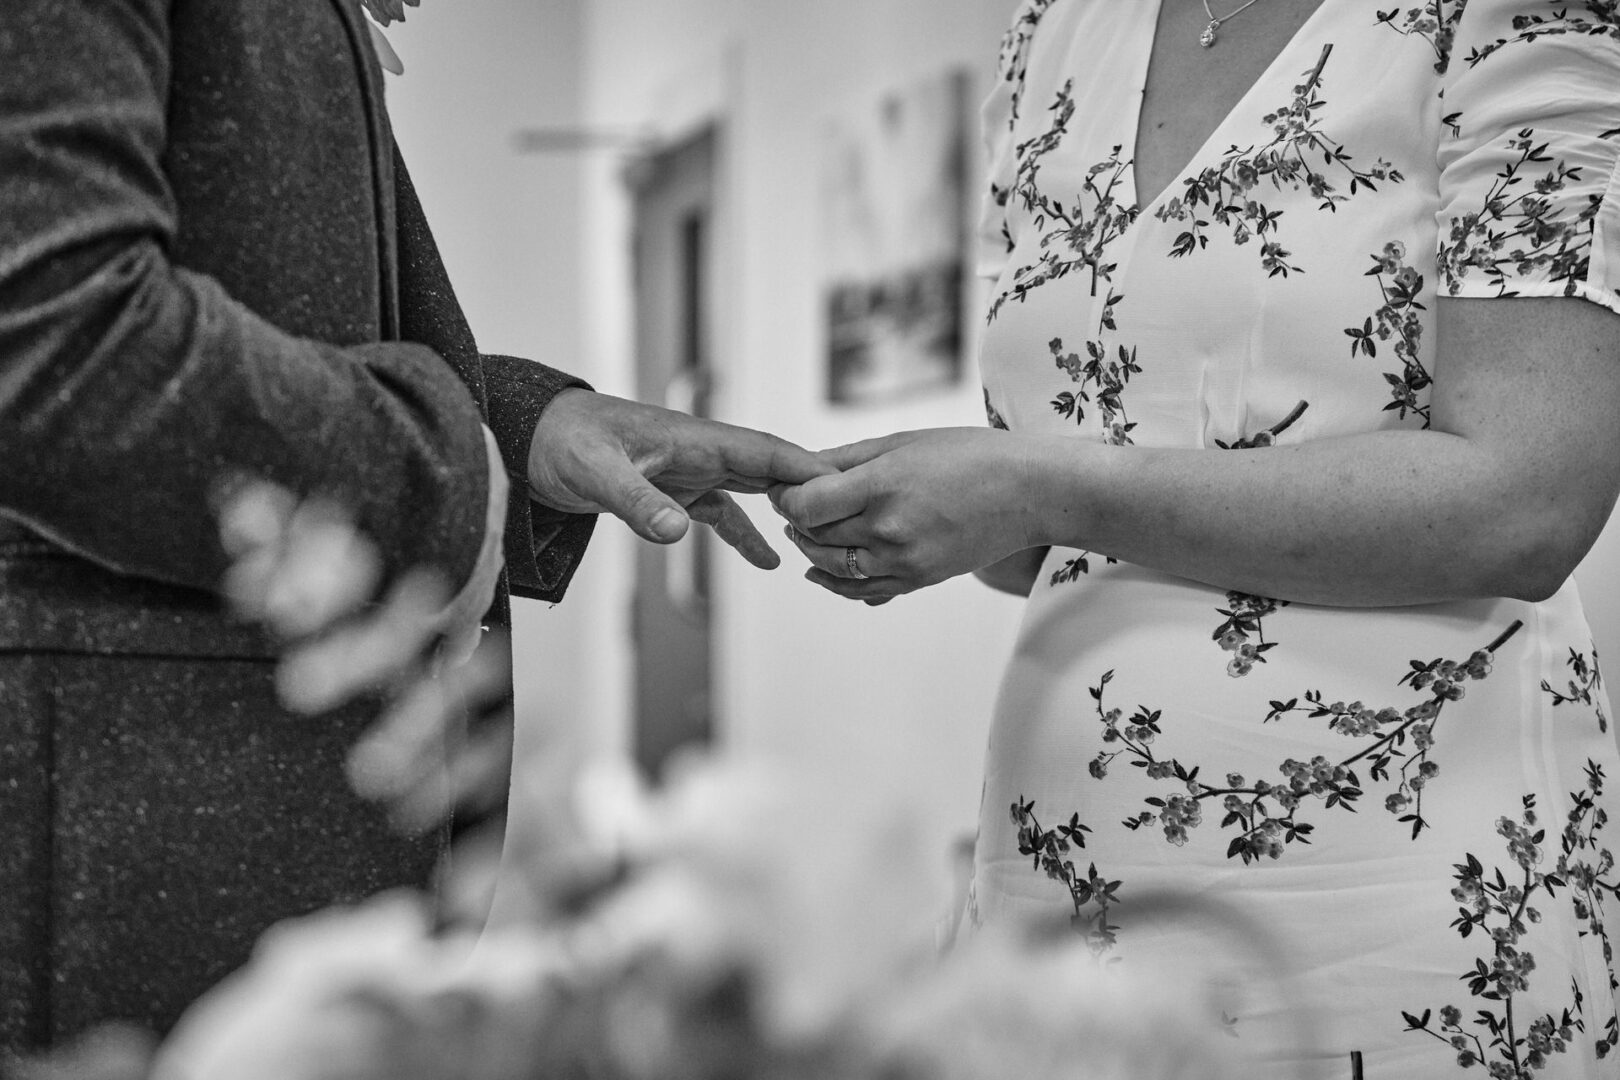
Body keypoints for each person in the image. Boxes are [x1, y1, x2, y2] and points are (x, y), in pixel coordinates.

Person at [774, 0, 1620, 1075]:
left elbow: (1528, 500)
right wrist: (898, 502)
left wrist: (1041, 488)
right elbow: (1061, 516)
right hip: (1057, 891)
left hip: (1391, 920)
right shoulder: (1055, 25)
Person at [0, 0, 826, 1054]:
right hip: (119, 867)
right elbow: (56, 337)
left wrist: (526, 430)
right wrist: (447, 470)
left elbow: (283, 315)